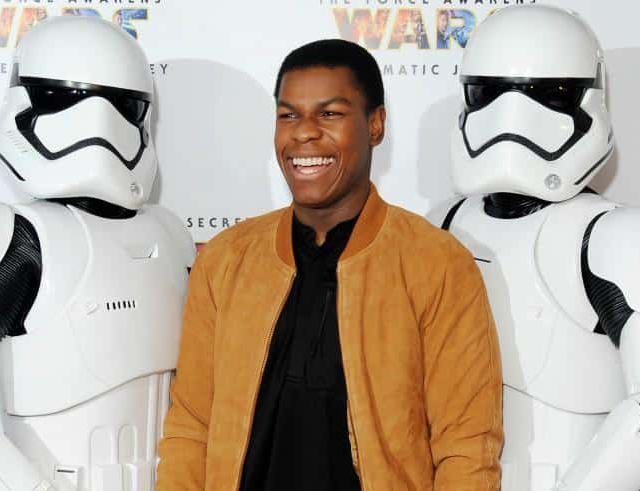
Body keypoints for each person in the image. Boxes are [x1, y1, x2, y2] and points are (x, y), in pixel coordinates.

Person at [158, 39, 502, 490]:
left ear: (375, 125)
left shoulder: (436, 264)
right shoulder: (226, 260)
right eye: (288, 115)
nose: (304, 133)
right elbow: (191, 428)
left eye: (330, 114)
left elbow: (467, 447)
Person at [0, 17, 193, 490]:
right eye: (64, 99)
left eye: (123, 105)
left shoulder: (170, 235)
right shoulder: (1, 236)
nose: (96, 124)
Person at [441, 5, 640, 490]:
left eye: (546, 94)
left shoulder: (625, 237)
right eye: (488, 91)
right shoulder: (447, 224)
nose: (511, 116)